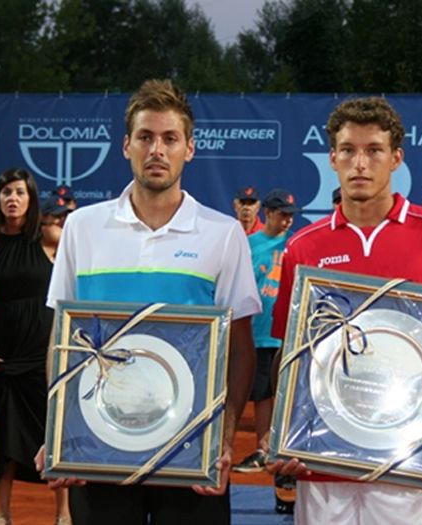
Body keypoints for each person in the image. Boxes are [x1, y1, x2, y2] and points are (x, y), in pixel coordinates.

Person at [266, 97, 422, 525]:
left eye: (373, 150)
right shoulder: (304, 246)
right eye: (348, 150)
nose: (360, 163)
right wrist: (284, 434)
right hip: (323, 471)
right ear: (332, 158)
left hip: (414, 466)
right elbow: (291, 357)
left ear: (396, 159)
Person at [42, 79, 261, 524]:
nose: (156, 150)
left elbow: (240, 347)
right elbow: (61, 339)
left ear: (189, 149)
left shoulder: (223, 233)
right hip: (100, 446)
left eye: (169, 139)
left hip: (190, 449)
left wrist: (223, 438)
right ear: (127, 146)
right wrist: (60, 428)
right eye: (145, 137)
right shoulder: (83, 227)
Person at [0, 168, 70, 525]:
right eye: (5, 192)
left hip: (44, 353)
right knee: (4, 433)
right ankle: (3, 512)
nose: (12, 199)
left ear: (30, 199)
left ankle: (63, 514)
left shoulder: (50, 237)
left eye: (19, 193)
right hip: (0, 353)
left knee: (51, 429)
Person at [233, 189, 299, 512]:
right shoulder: (249, 245)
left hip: (287, 335)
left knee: (287, 404)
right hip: (259, 334)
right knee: (261, 397)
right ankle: (266, 457)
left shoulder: (296, 245)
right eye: (282, 213)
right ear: (269, 213)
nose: (287, 219)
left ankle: (286, 480)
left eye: (290, 214)